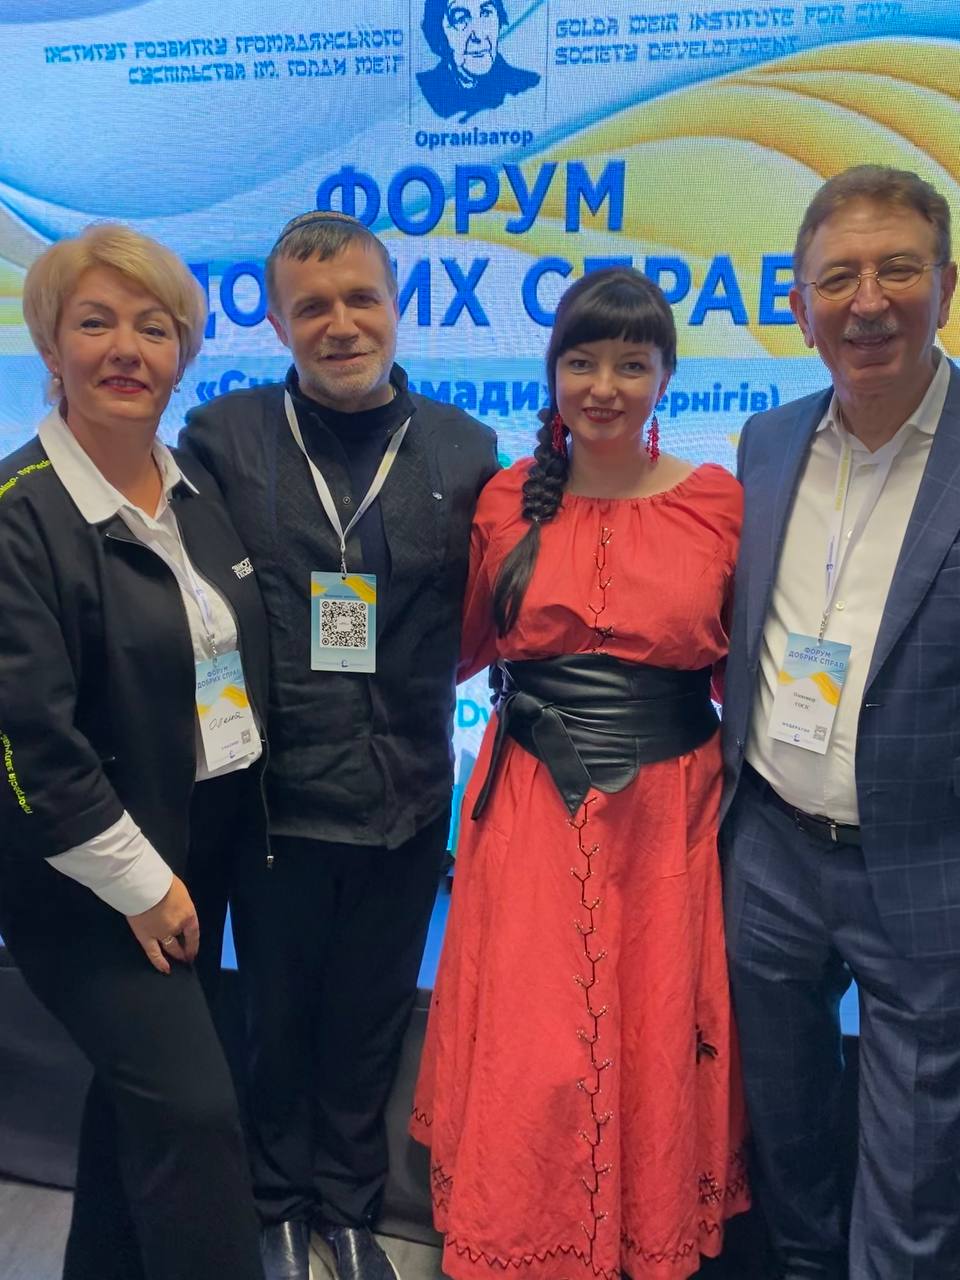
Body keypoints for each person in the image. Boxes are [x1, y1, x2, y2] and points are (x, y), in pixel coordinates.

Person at [411, 266, 750, 1280]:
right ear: (553, 371)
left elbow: (742, 669)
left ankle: (643, 1234)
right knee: (533, 1034)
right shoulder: (506, 499)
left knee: (653, 1024)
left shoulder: (717, 502)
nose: (604, 386)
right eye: (583, 361)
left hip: (667, 812)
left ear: (666, 377)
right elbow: (461, 645)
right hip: (528, 806)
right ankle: (525, 1236)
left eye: (631, 364)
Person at [179, 210, 499, 1280]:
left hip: (408, 799)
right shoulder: (222, 440)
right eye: (311, 306)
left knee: (368, 1022)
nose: (341, 324)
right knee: (275, 1021)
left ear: (397, 306)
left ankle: (351, 1209)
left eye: (362, 298)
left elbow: (491, 610)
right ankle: (277, 1203)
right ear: (276, 322)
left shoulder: (466, 449)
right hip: (272, 803)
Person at [0, 223, 270, 1280]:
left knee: (140, 1107)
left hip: (196, 851)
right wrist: (145, 886)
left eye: (153, 328)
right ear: (50, 345)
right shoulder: (18, 519)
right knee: (197, 1117)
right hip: (88, 883)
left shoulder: (195, 492)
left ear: (182, 353)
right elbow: (32, 743)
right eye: (96, 322)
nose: (126, 349)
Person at [721, 164, 960, 1279]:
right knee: (790, 1139)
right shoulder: (766, 443)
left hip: (927, 864)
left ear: (945, 285)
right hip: (770, 852)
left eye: (896, 270)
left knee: (915, 1174)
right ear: (801, 303)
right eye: (838, 278)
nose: (867, 302)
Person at [417, 0, 539, 121]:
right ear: (438, 33)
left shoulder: (526, 86)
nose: (479, 35)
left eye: (486, 13)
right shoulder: (425, 92)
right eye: (461, 19)